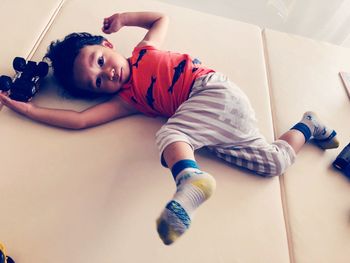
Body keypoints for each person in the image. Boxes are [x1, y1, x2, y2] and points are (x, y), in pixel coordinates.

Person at [0, 11, 339, 245]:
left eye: (101, 63)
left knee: (169, 135)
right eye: (97, 83)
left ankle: (190, 180)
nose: (108, 76)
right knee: (273, 164)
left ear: (106, 46)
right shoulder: (127, 101)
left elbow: (161, 19)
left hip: (211, 92)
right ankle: (308, 125)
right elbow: (80, 120)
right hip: (212, 123)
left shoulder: (143, 52)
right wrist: (28, 110)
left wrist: (124, 19)